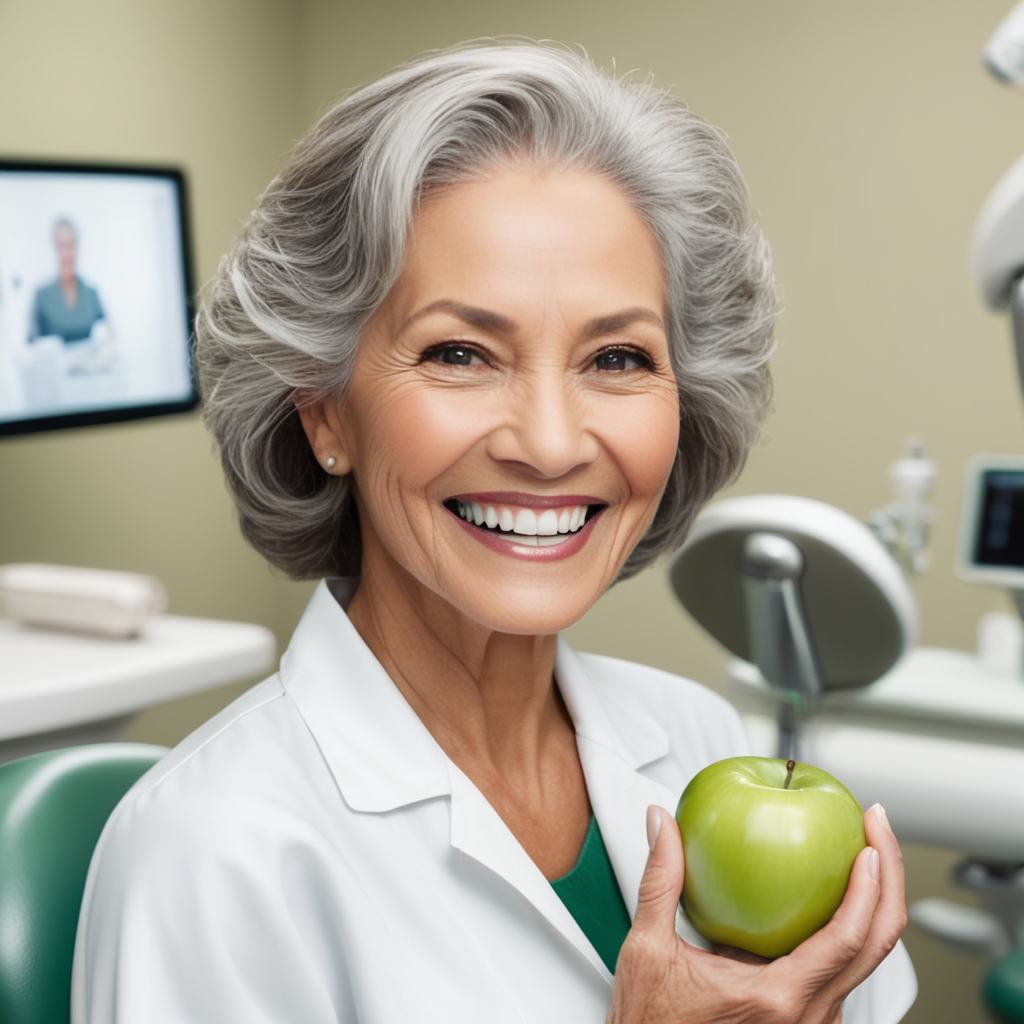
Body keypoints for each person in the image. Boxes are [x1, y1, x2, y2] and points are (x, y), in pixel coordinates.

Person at [72, 41, 915, 1024]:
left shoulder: (697, 738)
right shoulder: (209, 852)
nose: (552, 444)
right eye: (461, 352)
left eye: (616, 357)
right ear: (324, 413)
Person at [29, 219, 107, 343]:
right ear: (54, 249)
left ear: (77, 247)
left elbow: (106, 331)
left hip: (92, 362)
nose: (66, 253)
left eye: (70, 245)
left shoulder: (91, 293)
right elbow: (31, 342)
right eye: (61, 246)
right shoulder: (42, 295)